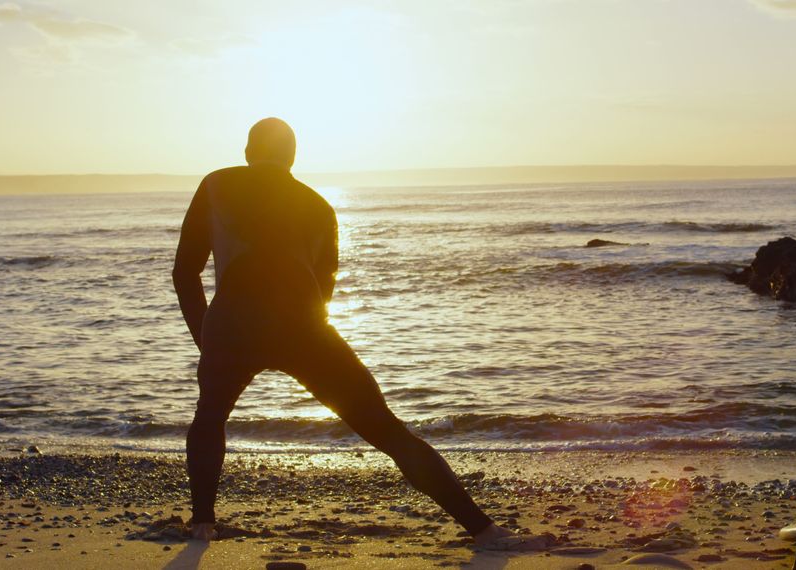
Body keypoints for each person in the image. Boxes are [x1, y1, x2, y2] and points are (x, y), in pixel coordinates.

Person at [173, 118, 544, 549]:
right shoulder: (318, 206)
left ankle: (202, 525)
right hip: (304, 329)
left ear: (247, 151)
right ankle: (484, 530)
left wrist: (208, 335)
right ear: (293, 156)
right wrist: (306, 339)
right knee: (386, 430)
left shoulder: (217, 185)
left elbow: (186, 272)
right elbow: (323, 289)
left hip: (233, 322)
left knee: (210, 416)